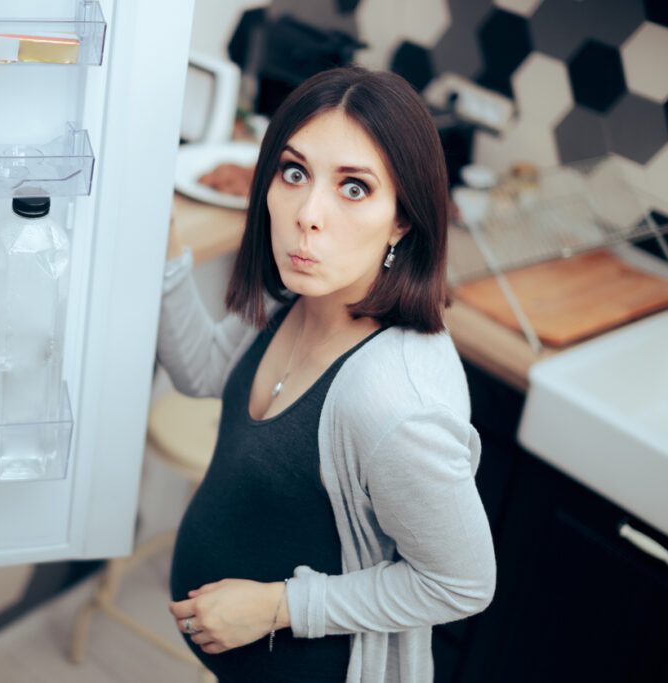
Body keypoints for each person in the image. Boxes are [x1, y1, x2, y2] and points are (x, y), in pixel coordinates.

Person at [160, 65, 496, 683]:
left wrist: (276, 606)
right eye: (294, 173)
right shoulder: (298, 294)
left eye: (355, 188)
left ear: (403, 219)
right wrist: (163, 246)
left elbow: (462, 583)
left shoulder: (394, 402)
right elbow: (205, 371)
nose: (307, 214)